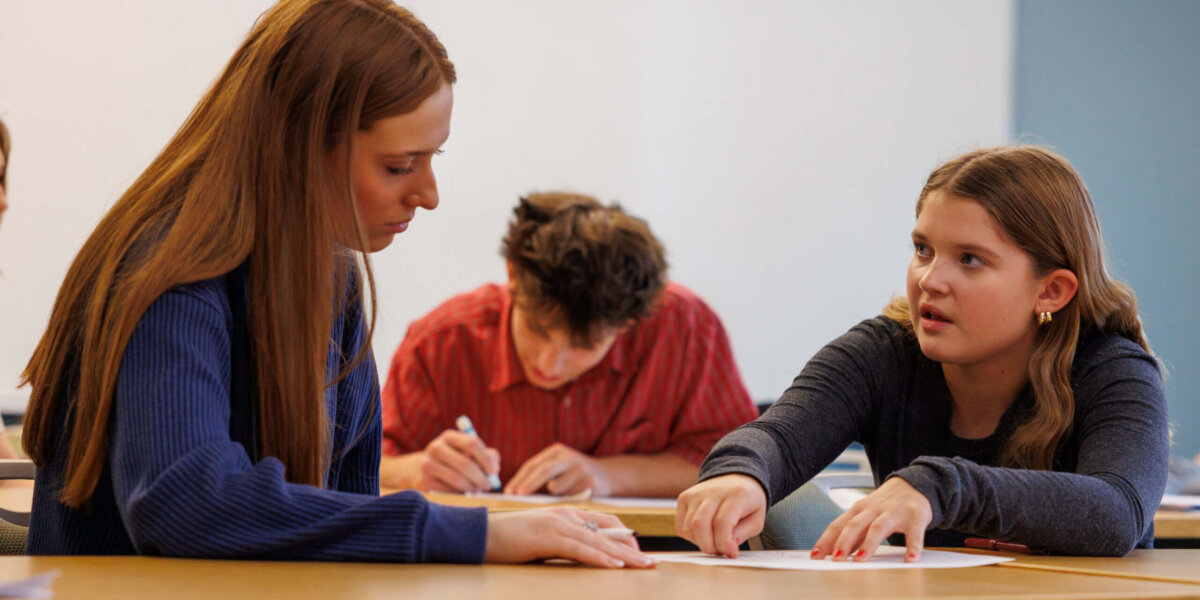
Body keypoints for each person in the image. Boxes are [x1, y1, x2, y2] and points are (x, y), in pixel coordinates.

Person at [20, 0, 653, 569]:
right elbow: (187, 502)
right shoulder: (173, 277)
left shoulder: (331, 276)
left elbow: (341, 505)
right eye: (399, 165)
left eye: (434, 159)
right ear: (296, 147)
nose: (428, 195)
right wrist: (481, 534)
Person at [676, 145, 1168, 560]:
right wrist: (740, 473)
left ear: (1051, 292)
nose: (930, 280)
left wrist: (939, 485)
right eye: (922, 249)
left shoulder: (1113, 370)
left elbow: (1117, 511)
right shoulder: (882, 351)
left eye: (970, 260)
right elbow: (779, 439)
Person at [379, 192, 757, 498]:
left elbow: (738, 464)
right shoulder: (440, 342)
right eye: (538, 331)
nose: (550, 364)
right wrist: (415, 470)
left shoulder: (685, 328)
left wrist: (608, 476)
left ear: (628, 323)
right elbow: (360, 465)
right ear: (513, 275)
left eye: (583, 346)